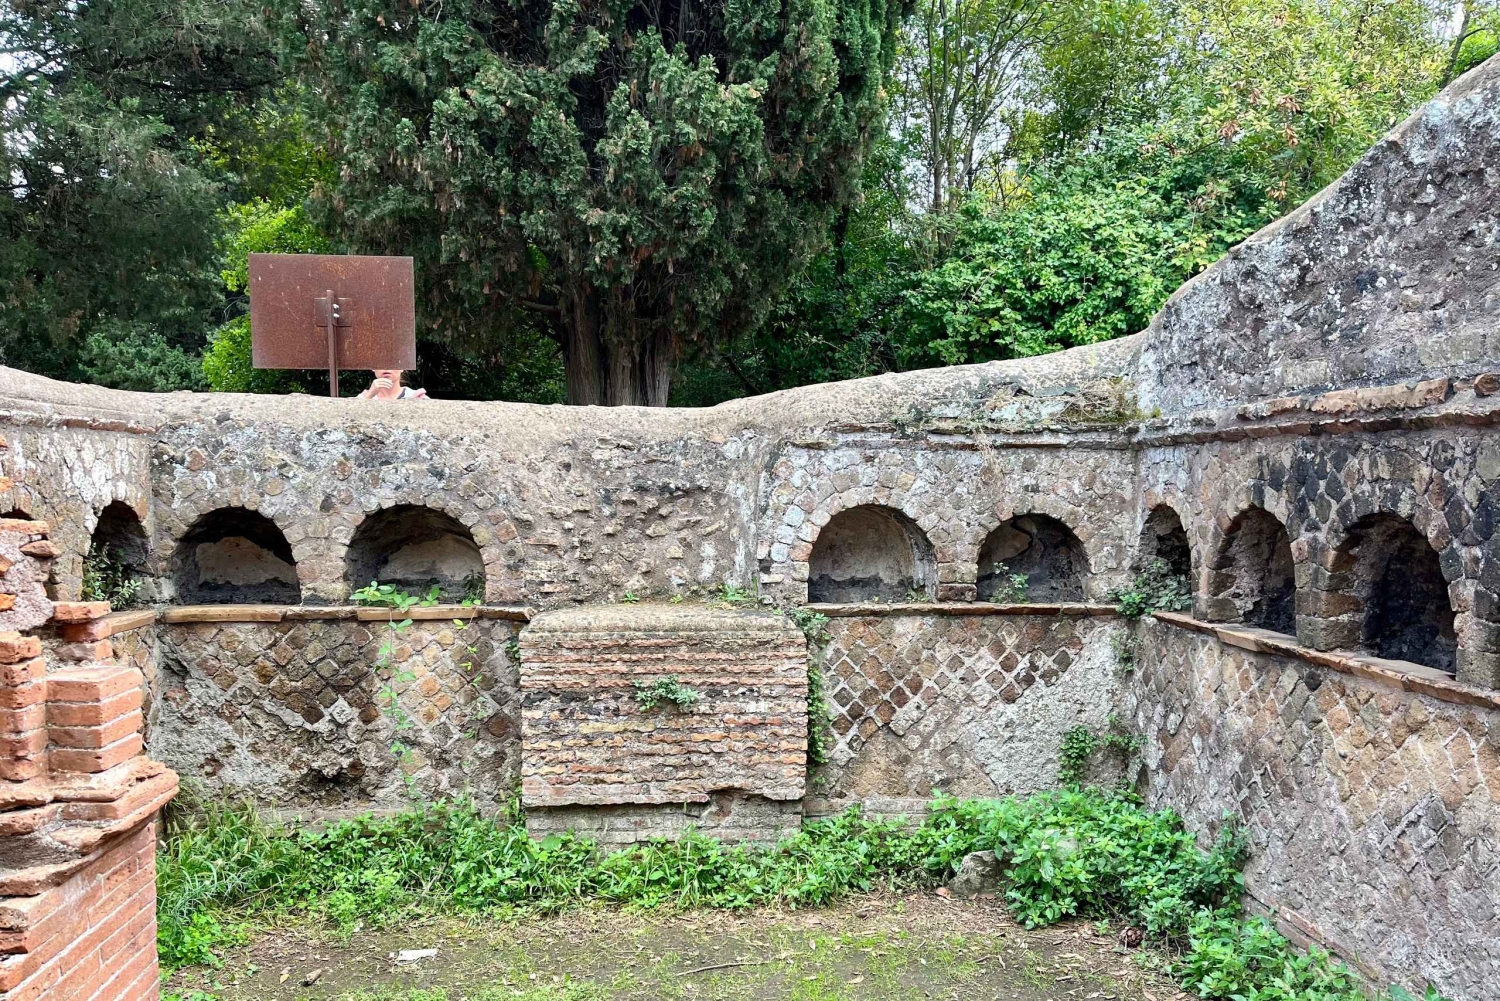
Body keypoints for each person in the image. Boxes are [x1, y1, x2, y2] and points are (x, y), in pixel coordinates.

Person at [358, 369, 429, 400]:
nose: (387, 368)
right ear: (373, 368)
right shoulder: (363, 397)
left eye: (393, 362)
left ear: (402, 368)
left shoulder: (418, 397)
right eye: (381, 362)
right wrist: (369, 397)